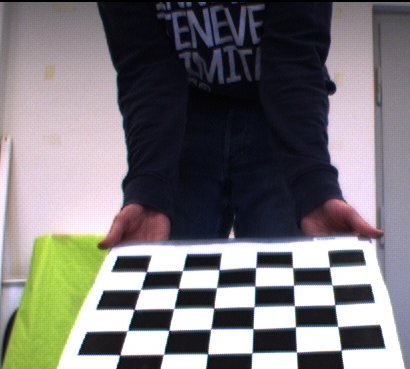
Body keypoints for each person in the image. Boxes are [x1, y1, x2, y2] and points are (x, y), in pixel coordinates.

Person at [96, 2, 383, 249]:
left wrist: (315, 187)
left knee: (280, 276)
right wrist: (147, 189)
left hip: (276, 114)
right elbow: (145, 67)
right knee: (170, 275)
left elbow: (295, 55)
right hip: (183, 111)